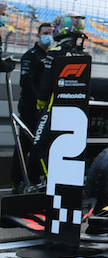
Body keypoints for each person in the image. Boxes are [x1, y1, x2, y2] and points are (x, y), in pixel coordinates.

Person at [28, 13, 87, 183]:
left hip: (54, 107)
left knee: (39, 149)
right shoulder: (82, 55)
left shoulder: (55, 54)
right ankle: (65, 183)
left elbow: (46, 83)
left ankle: (49, 183)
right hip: (77, 110)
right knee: (67, 149)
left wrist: (40, 103)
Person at [14, 22, 53, 189]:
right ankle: (18, 181)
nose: (48, 36)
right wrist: (38, 101)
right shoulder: (30, 55)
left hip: (44, 108)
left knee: (40, 145)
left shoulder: (51, 56)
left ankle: (35, 179)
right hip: (30, 107)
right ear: (38, 35)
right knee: (24, 144)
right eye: (45, 32)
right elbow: (26, 81)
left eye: (50, 33)